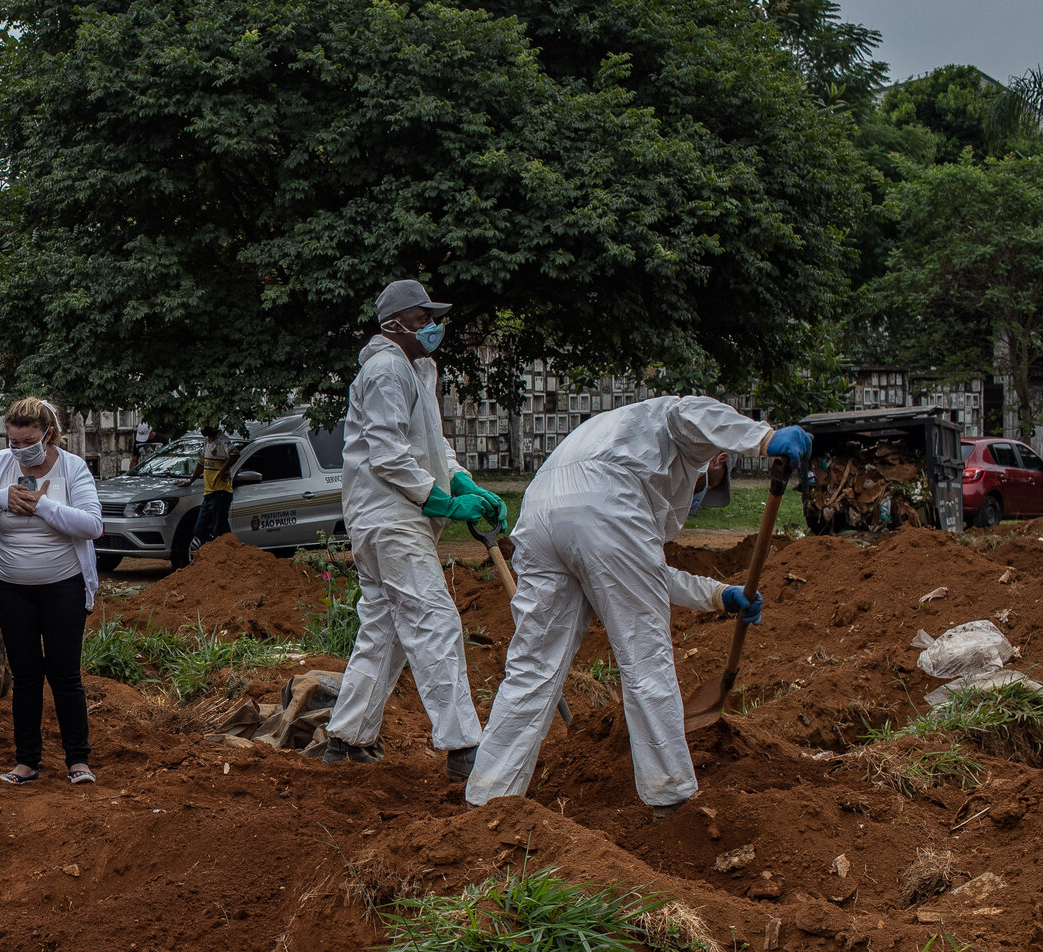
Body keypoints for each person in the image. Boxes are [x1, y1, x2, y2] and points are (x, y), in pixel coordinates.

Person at [465, 404, 810, 815]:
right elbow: (692, 411)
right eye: (711, 482)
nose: (700, 496)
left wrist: (719, 595)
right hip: (605, 499)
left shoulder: (614, 435)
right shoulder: (672, 422)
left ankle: (486, 798)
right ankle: (671, 795)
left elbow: (638, 573)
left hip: (540, 511)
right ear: (719, 456)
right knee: (645, 658)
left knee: (532, 667)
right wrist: (763, 439)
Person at [324, 279, 505, 781]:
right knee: (434, 620)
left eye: (432, 318)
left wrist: (466, 480)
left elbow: (431, 441)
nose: (432, 326)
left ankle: (346, 738)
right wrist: (444, 499)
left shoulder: (419, 368)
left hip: (398, 516)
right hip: (389, 516)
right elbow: (388, 455)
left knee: (384, 631)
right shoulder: (384, 370)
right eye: (423, 318)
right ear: (394, 323)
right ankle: (464, 748)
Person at [0, 398, 102, 785]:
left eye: (27, 442)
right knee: (26, 674)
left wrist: (43, 506)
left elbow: (92, 524)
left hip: (63, 587)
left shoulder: (72, 467)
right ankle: (26, 761)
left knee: (65, 674)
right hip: (10, 586)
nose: (19, 450)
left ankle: (78, 760)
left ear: (48, 433)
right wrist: (3, 500)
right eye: (13, 442)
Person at [190, 426, 239, 549]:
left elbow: (234, 454)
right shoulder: (207, 442)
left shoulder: (222, 440)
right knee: (199, 529)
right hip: (209, 493)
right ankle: (214, 551)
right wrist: (191, 480)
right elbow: (201, 463)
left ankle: (225, 552)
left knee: (220, 529)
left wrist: (223, 470)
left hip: (221, 492)